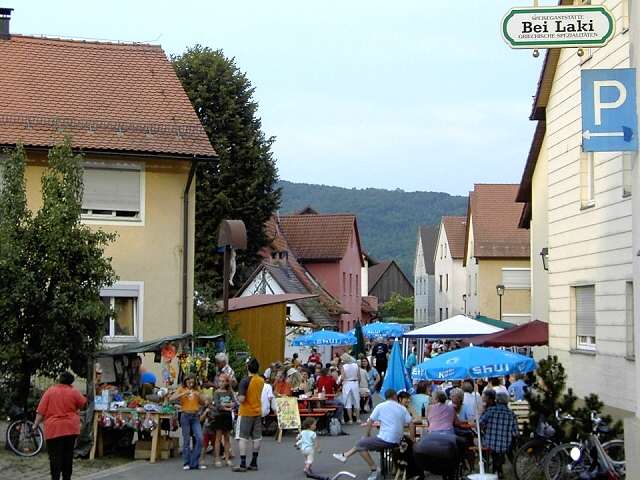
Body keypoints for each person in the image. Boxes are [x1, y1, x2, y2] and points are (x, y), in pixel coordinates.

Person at [332, 389, 412, 480]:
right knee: (362, 443)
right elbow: (411, 424)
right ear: (394, 396)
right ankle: (345, 455)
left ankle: (373, 467)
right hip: (398, 440)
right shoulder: (402, 408)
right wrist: (412, 440)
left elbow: (370, 421)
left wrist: (367, 435)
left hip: (386, 439)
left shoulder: (380, 406)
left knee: (361, 444)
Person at [33, 371, 87, 480]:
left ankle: (55, 478)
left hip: (54, 429)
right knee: (68, 456)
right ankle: (67, 478)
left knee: (54, 457)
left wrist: (35, 425)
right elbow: (83, 403)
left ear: (60, 379)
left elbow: (41, 411)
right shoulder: (74, 392)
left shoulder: (50, 391)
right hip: (70, 429)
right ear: (71, 382)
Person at [233, 357, 265, 472]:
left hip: (246, 411)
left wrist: (236, 395)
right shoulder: (261, 380)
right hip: (257, 411)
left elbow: (241, 399)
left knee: (243, 437)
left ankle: (242, 463)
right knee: (257, 437)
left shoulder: (245, 380)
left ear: (247, 367)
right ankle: (254, 462)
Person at [170, 375, 206, 470]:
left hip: (195, 416)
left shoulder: (197, 390)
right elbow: (171, 398)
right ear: (185, 382)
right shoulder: (181, 389)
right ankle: (186, 462)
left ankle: (194, 462)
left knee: (200, 438)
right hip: (185, 415)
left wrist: (200, 397)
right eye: (189, 382)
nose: (190, 384)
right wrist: (182, 394)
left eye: (192, 382)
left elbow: (204, 402)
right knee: (186, 440)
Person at [479, 391, 519, 478]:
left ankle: (495, 470)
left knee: (492, 447)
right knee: (500, 448)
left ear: (496, 400)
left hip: (489, 443)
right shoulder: (511, 414)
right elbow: (515, 433)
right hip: (505, 445)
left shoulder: (490, 410)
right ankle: (498, 469)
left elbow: (480, 424)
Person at [212, 373, 236, 467]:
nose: (221, 383)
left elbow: (234, 402)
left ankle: (227, 458)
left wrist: (227, 405)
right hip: (219, 416)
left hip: (227, 416)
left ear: (226, 382)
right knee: (218, 438)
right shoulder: (217, 392)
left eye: (223, 381)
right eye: (219, 381)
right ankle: (217, 458)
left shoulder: (229, 392)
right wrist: (227, 407)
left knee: (227, 438)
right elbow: (217, 405)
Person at [339, 353, 361, 424]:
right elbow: (359, 376)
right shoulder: (356, 365)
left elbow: (342, 377)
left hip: (347, 383)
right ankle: (358, 418)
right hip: (355, 383)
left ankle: (350, 419)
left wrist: (340, 381)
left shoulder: (344, 367)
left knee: (348, 402)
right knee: (356, 401)